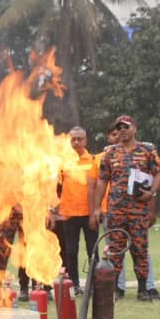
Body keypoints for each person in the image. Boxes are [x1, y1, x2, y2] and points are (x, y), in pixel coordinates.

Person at [92, 115, 160, 302]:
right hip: (116, 209)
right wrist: (97, 207)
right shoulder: (110, 152)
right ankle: (114, 289)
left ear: (134, 129)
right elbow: (102, 180)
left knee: (140, 249)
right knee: (115, 249)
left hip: (139, 210)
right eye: (119, 127)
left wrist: (152, 193)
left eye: (126, 127)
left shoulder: (147, 150)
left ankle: (142, 289)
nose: (122, 130)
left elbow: (158, 174)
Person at [57, 126, 98, 294]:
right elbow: (56, 186)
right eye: (73, 139)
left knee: (92, 251)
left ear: (85, 140)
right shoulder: (63, 162)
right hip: (69, 213)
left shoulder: (92, 161)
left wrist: (95, 211)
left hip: (88, 214)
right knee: (71, 251)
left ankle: (94, 285)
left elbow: (95, 188)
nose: (76, 142)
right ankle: (74, 284)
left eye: (79, 139)